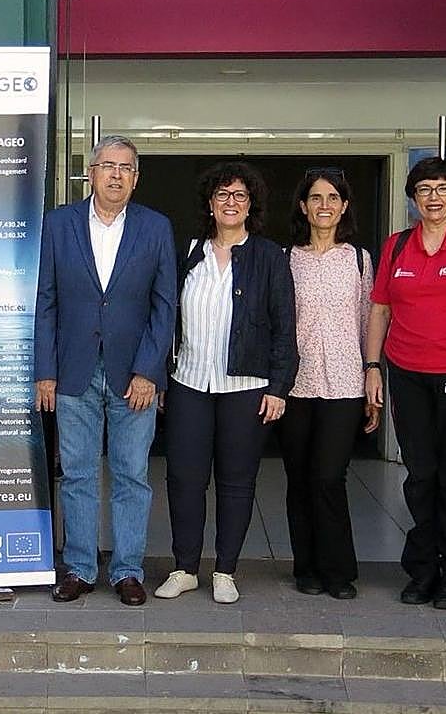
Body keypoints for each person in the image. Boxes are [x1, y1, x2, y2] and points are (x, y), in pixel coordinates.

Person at [33, 135, 177, 607]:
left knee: (131, 474)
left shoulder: (156, 228)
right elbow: (47, 302)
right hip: (73, 371)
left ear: (136, 178)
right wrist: (46, 372)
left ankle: (128, 571)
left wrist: (149, 372)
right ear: (90, 173)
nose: (116, 174)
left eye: (126, 168)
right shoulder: (59, 224)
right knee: (76, 473)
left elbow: (164, 307)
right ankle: (78, 567)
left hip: (133, 374)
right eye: (107, 165)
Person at [156, 160, 298, 605]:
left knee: (237, 482)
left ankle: (225, 570)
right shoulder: (189, 252)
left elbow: (284, 326)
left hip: (247, 386)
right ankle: (184, 568)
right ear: (210, 204)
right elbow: (164, 315)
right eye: (222, 195)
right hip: (188, 383)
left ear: (250, 203)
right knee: (183, 478)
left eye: (239, 195)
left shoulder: (269, 256)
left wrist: (279, 386)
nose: (230, 203)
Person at [280, 168, 379, 600]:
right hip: (295, 385)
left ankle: (338, 570)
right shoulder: (285, 258)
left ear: (344, 206)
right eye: (315, 198)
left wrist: (372, 378)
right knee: (298, 477)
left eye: (333, 198)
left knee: (329, 477)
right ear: (303, 206)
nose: (324, 206)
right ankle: (307, 568)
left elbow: (366, 323)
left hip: (344, 383)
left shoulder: (359, 259)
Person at [365, 156, 446, 608]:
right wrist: (372, 366)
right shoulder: (397, 247)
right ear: (413, 198)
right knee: (420, 475)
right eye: (424, 190)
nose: (433, 197)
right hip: (407, 373)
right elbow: (380, 308)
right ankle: (423, 571)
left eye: (441, 188)